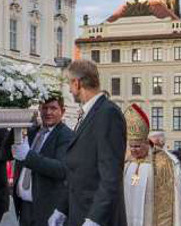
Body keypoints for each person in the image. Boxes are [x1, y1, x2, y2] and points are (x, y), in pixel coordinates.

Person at [49, 60, 127, 226]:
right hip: (80, 213)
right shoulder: (88, 113)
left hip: (98, 217)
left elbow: (111, 175)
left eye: (69, 84)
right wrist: (62, 209)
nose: (69, 90)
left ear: (77, 83)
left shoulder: (108, 113)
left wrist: (95, 218)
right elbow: (77, 172)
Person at [6, 95, 74, 226]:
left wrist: (28, 155)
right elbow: (3, 154)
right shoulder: (32, 131)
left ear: (62, 111)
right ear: (39, 109)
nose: (48, 112)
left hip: (47, 210)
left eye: (53, 108)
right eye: (45, 108)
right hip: (25, 208)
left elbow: (61, 169)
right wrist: (15, 125)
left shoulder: (67, 136)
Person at [123, 104, 181, 226]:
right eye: (131, 146)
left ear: (147, 143)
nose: (133, 150)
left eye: (137, 146)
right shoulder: (126, 160)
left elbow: (176, 199)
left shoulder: (164, 162)